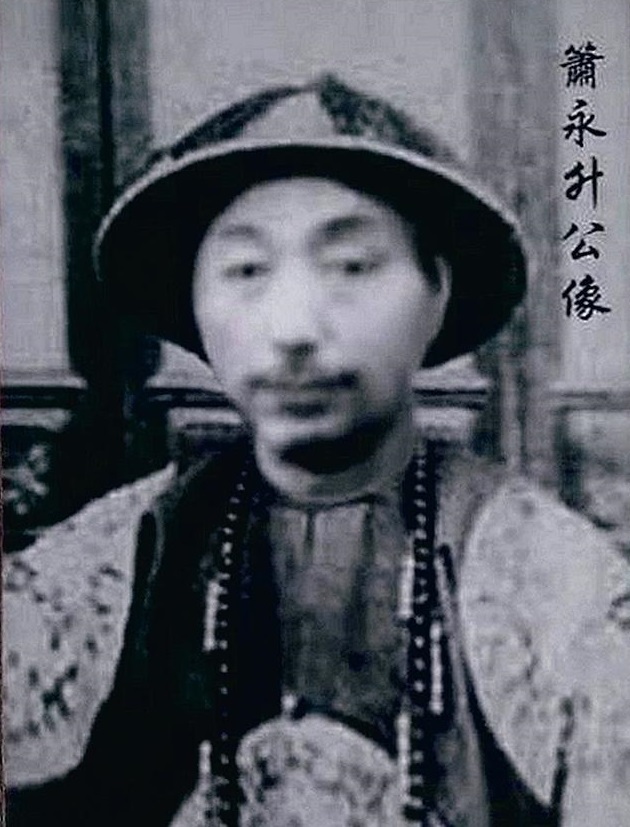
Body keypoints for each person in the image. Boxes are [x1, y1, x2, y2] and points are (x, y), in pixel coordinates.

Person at [5, 74, 630, 827]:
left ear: (437, 292)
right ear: (193, 304)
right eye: (246, 270)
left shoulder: (558, 585)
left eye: (352, 266)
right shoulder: (111, 559)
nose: (294, 326)